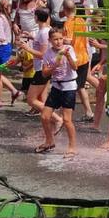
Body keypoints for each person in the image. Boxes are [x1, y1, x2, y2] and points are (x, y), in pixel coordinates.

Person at [36, 28, 78, 157]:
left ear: (63, 38)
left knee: (66, 120)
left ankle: (72, 147)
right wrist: (54, 65)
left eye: (60, 38)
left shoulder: (68, 49)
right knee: (44, 116)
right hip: (56, 87)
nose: (58, 42)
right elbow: (44, 73)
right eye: (55, 39)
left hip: (69, 86)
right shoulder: (48, 53)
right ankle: (49, 141)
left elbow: (75, 67)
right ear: (50, 40)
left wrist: (67, 56)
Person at [61, 0, 95, 118]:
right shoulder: (81, 20)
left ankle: (64, 114)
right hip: (84, 57)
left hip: (74, 60)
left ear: (64, 9)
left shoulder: (68, 23)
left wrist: (59, 39)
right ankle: (89, 112)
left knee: (69, 86)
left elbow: (69, 41)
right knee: (80, 87)